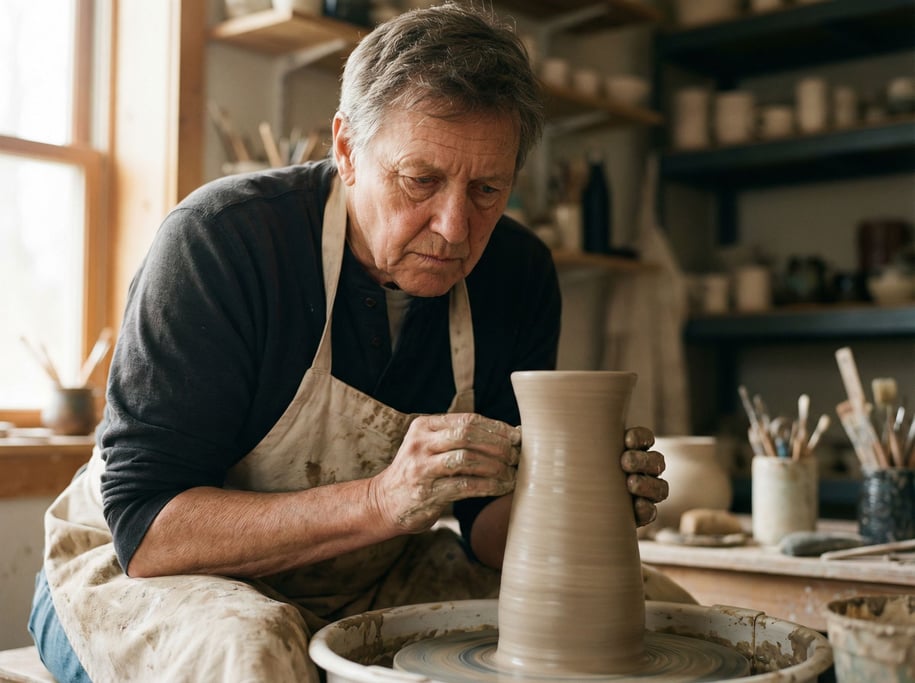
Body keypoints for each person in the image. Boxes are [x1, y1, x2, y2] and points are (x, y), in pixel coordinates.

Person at [29, 4, 669, 681]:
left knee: (653, 616)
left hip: (364, 574)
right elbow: (148, 529)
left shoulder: (518, 274)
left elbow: (486, 524)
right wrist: (382, 499)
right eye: (420, 180)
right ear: (345, 149)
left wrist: (583, 495)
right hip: (142, 575)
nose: (454, 228)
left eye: (488, 189)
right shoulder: (223, 241)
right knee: (252, 652)